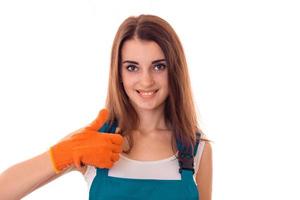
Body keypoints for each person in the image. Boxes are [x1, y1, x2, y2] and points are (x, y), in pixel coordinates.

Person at [0, 14, 212, 200]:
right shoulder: (93, 141)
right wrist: (65, 153)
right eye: (132, 67)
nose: (146, 81)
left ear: (174, 70)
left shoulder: (196, 148)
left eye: (158, 66)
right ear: (118, 74)